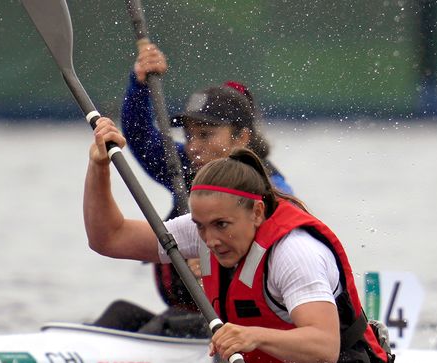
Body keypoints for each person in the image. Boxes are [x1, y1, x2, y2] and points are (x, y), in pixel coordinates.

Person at [84, 120, 392, 363]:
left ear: (256, 213)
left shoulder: (295, 253)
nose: (210, 240)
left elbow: (324, 349)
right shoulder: (203, 230)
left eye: (222, 225)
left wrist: (253, 336)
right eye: (201, 226)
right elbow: (110, 239)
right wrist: (99, 167)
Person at [91, 43, 293, 335]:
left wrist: (215, 260)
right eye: (188, 135)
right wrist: (140, 84)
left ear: (241, 137)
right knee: (120, 313)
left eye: (205, 135)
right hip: (184, 316)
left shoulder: (272, 190)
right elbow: (140, 136)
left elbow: (276, 252)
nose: (193, 146)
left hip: (234, 323)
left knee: (162, 325)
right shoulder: (187, 169)